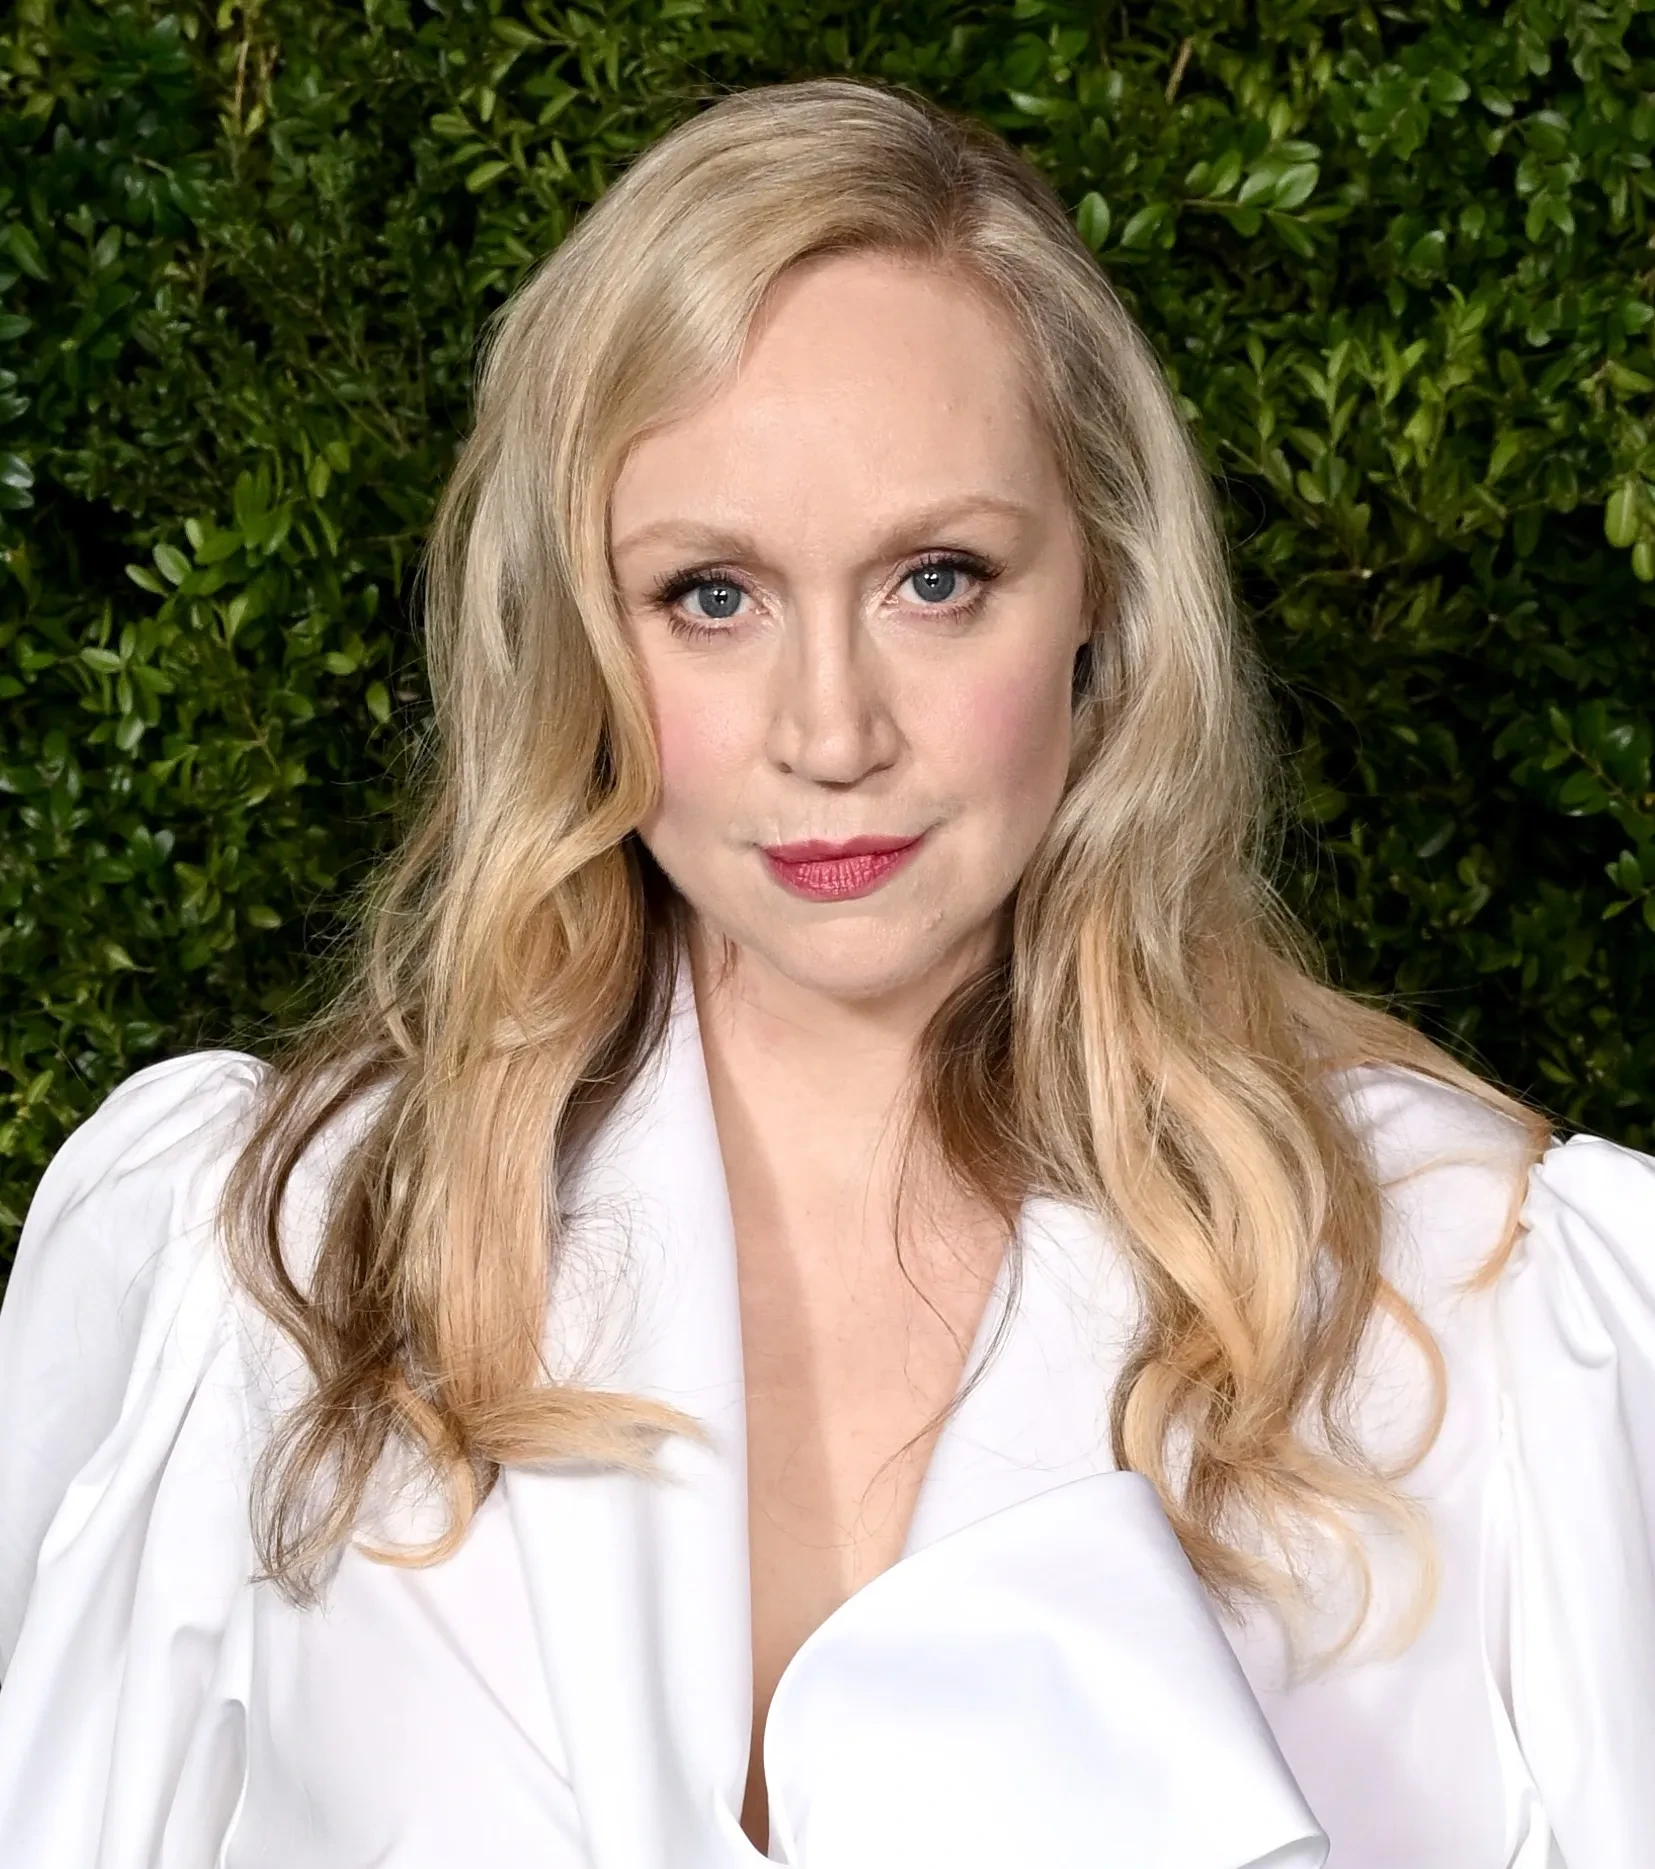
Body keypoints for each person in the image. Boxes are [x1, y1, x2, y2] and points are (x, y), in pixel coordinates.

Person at [0, 74, 1650, 1869]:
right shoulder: (280, 1255)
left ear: (1100, 592)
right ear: (577, 635)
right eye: (710, 595)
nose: (832, 731)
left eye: (935, 578)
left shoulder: (1473, 1292)